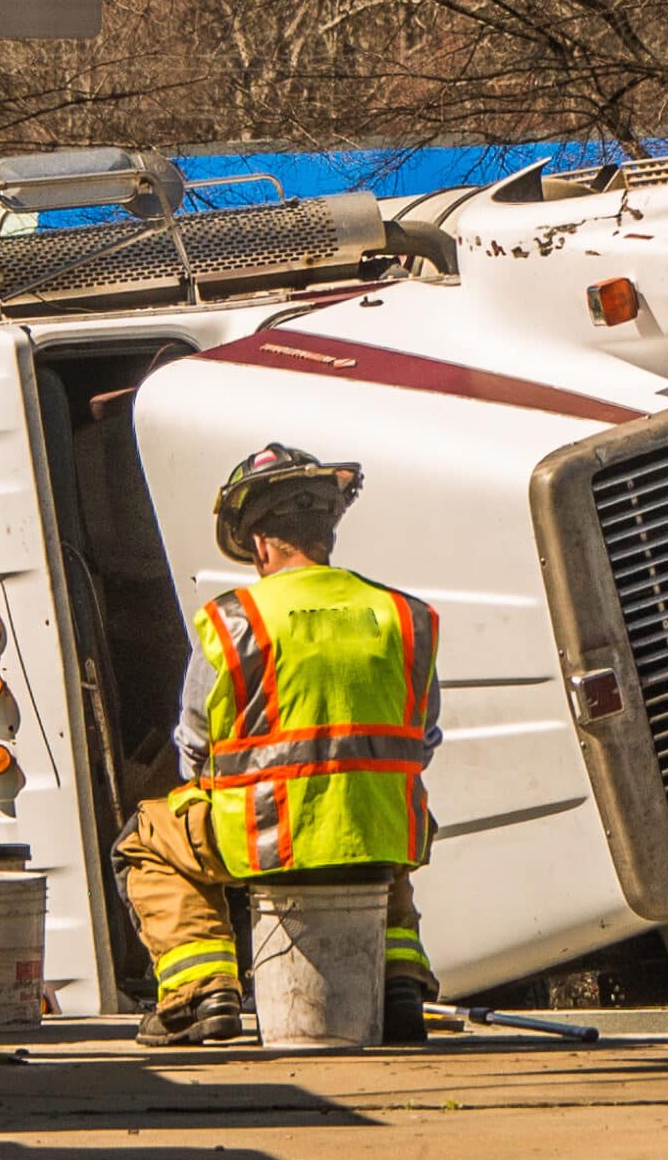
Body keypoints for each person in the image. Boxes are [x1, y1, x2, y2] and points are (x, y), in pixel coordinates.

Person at [115, 445, 441, 1048]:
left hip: (262, 842)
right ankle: (399, 981)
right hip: (379, 838)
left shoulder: (233, 621)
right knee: (371, 831)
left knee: (147, 840)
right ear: (328, 533)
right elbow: (424, 741)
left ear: (260, 544)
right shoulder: (403, 615)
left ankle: (202, 993)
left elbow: (193, 747)